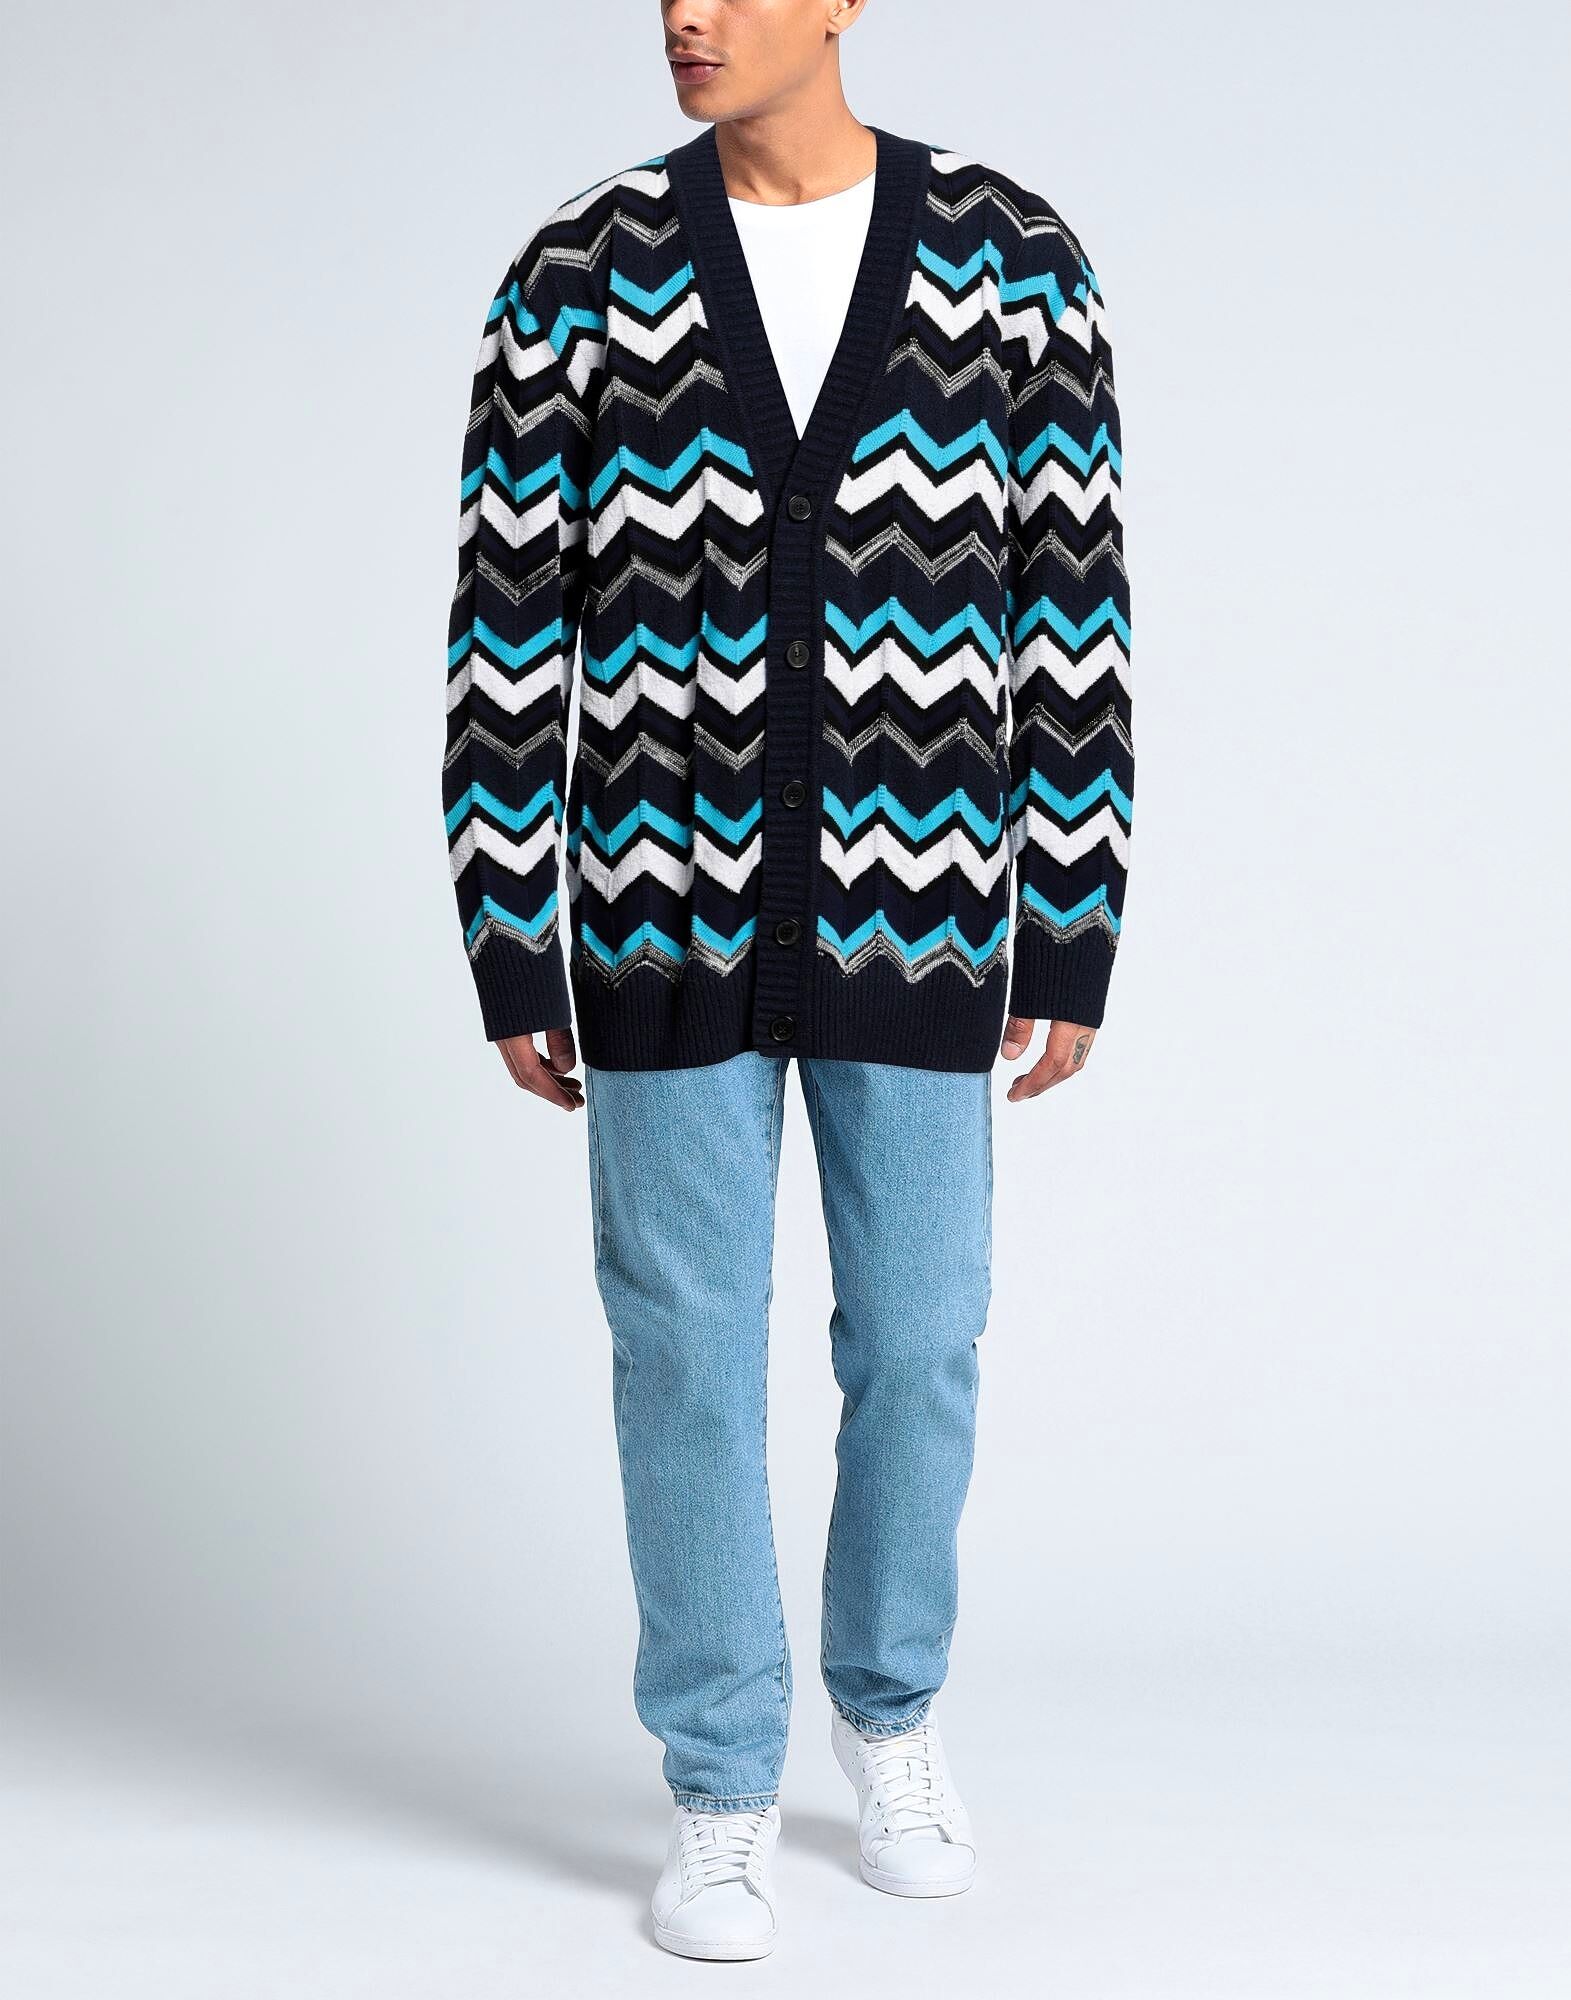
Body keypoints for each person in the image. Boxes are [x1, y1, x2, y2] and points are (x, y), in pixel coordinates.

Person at [441, 0, 1133, 1961]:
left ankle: (889, 1713)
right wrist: (510, 927)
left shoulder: (1010, 258)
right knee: (680, 1347)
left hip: (928, 912)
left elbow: (1074, 605)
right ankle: (722, 1782)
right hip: (655, 912)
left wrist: (1070, 915)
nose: (688, 13)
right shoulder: (579, 273)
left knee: (920, 1335)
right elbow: (508, 628)